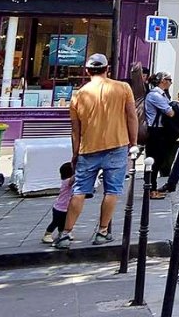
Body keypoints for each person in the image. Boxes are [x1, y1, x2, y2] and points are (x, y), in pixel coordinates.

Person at [58, 52, 138, 249]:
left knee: (79, 192)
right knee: (112, 191)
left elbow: (75, 130)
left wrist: (75, 154)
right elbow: (131, 117)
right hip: (117, 145)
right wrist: (133, 142)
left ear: (87, 71)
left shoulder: (78, 94)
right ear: (106, 68)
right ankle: (102, 232)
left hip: (88, 148)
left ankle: (65, 234)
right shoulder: (122, 88)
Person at [140, 72, 179, 191]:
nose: (171, 82)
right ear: (163, 81)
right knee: (153, 160)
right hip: (155, 131)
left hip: (160, 130)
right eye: (169, 80)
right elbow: (170, 112)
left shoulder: (162, 94)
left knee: (159, 159)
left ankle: (152, 188)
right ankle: (150, 189)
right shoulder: (155, 95)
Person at [42, 161, 75, 245]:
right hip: (59, 208)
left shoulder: (69, 182)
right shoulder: (67, 181)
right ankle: (47, 234)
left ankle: (62, 233)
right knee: (55, 222)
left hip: (66, 207)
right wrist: (80, 171)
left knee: (63, 222)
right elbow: (73, 179)